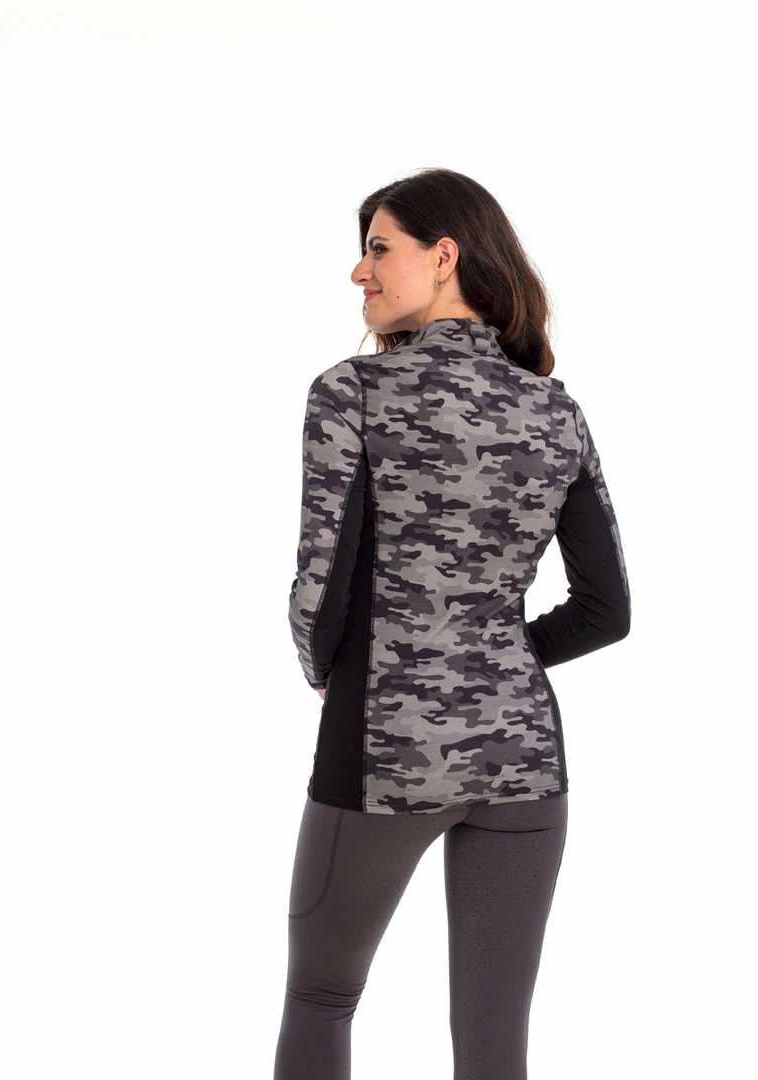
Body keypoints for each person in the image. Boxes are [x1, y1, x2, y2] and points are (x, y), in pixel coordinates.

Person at [273, 167, 631, 1080]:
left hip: (383, 745)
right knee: (494, 1034)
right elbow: (607, 610)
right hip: (525, 759)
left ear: (444, 256)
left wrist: (329, 673)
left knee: (322, 996)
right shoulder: (556, 410)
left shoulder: (352, 393)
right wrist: (498, 654)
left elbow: (320, 588)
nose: (359, 272)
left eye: (377, 249)